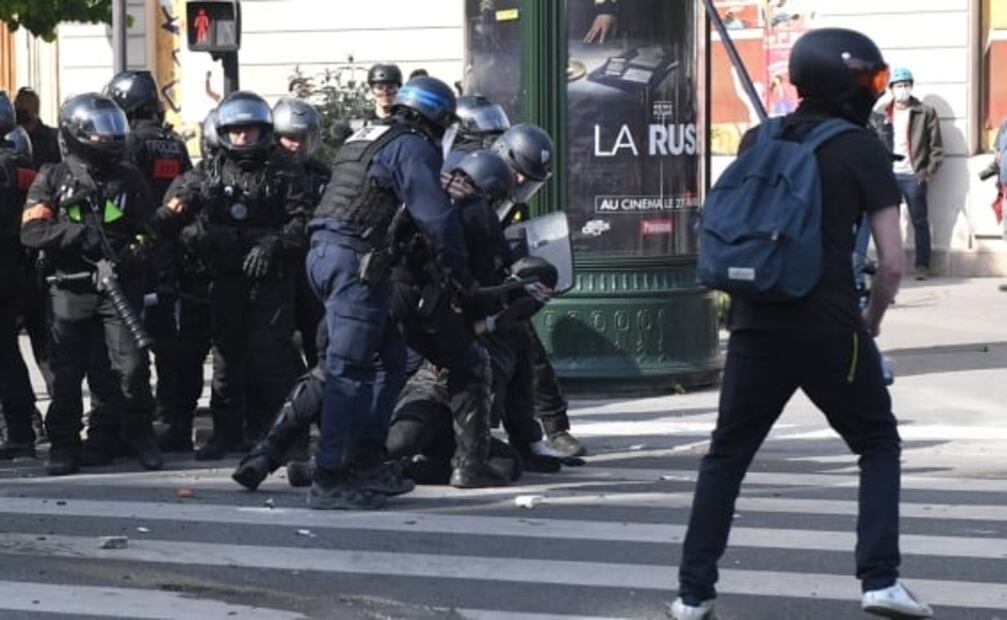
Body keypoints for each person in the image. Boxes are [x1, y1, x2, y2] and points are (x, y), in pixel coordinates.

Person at [668, 29, 932, 620]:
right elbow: (891, 262)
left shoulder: (759, 137)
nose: (874, 90)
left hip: (756, 321)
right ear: (851, 84)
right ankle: (880, 581)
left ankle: (692, 595)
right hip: (831, 324)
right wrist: (871, 320)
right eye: (871, 80)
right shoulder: (862, 148)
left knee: (726, 457)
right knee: (876, 443)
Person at [305, 75, 469, 510]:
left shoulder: (367, 135)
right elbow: (434, 217)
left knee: (391, 360)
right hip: (354, 260)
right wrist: (455, 266)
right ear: (435, 117)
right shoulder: (412, 146)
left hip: (334, 255)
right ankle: (331, 476)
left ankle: (367, 459)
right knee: (349, 369)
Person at [154, 91, 310, 460]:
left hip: (270, 278)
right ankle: (226, 433)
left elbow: (303, 222)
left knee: (270, 359)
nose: (243, 137)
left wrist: (273, 244)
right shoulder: (206, 172)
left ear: (263, 131)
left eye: (250, 130)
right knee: (227, 357)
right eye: (236, 131)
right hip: (224, 278)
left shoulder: (284, 169)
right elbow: (171, 221)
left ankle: (274, 435)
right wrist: (206, 234)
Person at [20, 93, 166, 476]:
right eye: (99, 132)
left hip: (118, 285)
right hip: (70, 286)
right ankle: (65, 444)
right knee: (67, 373)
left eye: (112, 130)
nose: (108, 138)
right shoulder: (52, 176)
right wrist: (75, 235)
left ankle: (137, 435)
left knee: (132, 367)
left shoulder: (129, 177)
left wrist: (134, 255)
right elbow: (32, 231)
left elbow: (149, 230)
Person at [104, 69, 196, 450]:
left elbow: (120, 198)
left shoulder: (129, 145)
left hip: (139, 249)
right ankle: (174, 421)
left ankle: (133, 427)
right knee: (171, 343)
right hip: (176, 250)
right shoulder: (173, 143)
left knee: (132, 342)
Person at [272, 97, 329, 368]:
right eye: (290, 137)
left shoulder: (321, 173)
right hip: (278, 263)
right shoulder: (267, 172)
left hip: (314, 265)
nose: (297, 144)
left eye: (303, 137)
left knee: (320, 341)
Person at [870, 67, 943, 280]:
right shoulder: (882, 113)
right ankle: (889, 266)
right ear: (891, 89)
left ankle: (922, 265)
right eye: (899, 85)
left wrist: (927, 172)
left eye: (906, 85)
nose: (903, 89)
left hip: (913, 175)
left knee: (919, 220)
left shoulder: (924, 111)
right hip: (889, 175)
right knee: (887, 223)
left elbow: (936, 146)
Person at [0, 92, 39, 460]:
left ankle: (20, 430)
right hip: (22, 267)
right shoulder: (23, 162)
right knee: (11, 354)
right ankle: (24, 428)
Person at [14, 87, 61, 168]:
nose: (18, 107)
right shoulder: (12, 138)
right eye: (16, 103)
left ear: (35, 109)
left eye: (23, 103)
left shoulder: (52, 138)